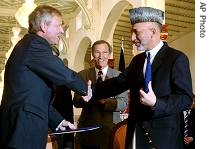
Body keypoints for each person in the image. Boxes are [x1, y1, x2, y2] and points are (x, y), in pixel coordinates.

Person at [91, 7, 194, 149]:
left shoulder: (176, 58)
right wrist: (88, 90)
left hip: (164, 140)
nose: (132, 38)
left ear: (153, 31)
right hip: (135, 136)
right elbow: (118, 83)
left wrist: (157, 102)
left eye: (136, 32)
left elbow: (185, 98)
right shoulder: (137, 61)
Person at [0, 5, 87, 149]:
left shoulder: (29, 45)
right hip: (23, 132)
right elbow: (64, 74)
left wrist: (59, 121)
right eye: (58, 25)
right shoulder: (34, 45)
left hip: (23, 130)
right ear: (44, 26)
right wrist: (86, 89)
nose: (62, 30)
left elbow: (35, 98)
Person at [73, 40, 128, 149]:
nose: (101, 56)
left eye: (104, 52)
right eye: (97, 52)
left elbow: (123, 103)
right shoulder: (83, 75)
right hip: (88, 132)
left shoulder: (119, 76)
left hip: (111, 130)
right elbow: (76, 101)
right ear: (93, 54)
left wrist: (106, 103)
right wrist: (84, 99)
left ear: (109, 54)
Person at [52, 58, 74, 149]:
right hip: (56, 120)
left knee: (66, 143)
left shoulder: (64, 82)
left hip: (65, 118)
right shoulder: (56, 82)